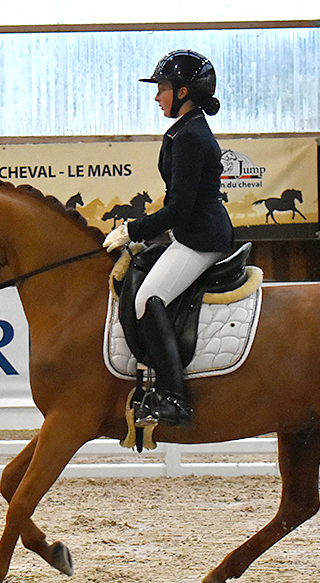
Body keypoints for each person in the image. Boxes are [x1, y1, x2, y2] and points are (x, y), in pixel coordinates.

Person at [103, 49, 234, 427]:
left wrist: (132, 229)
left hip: (201, 238)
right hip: (192, 232)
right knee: (141, 267)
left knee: (149, 299)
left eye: (162, 88)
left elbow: (178, 209)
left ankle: (175, 398)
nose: (157, 95)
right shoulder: (183, 130)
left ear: (183, 92)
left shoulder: (190, 136)